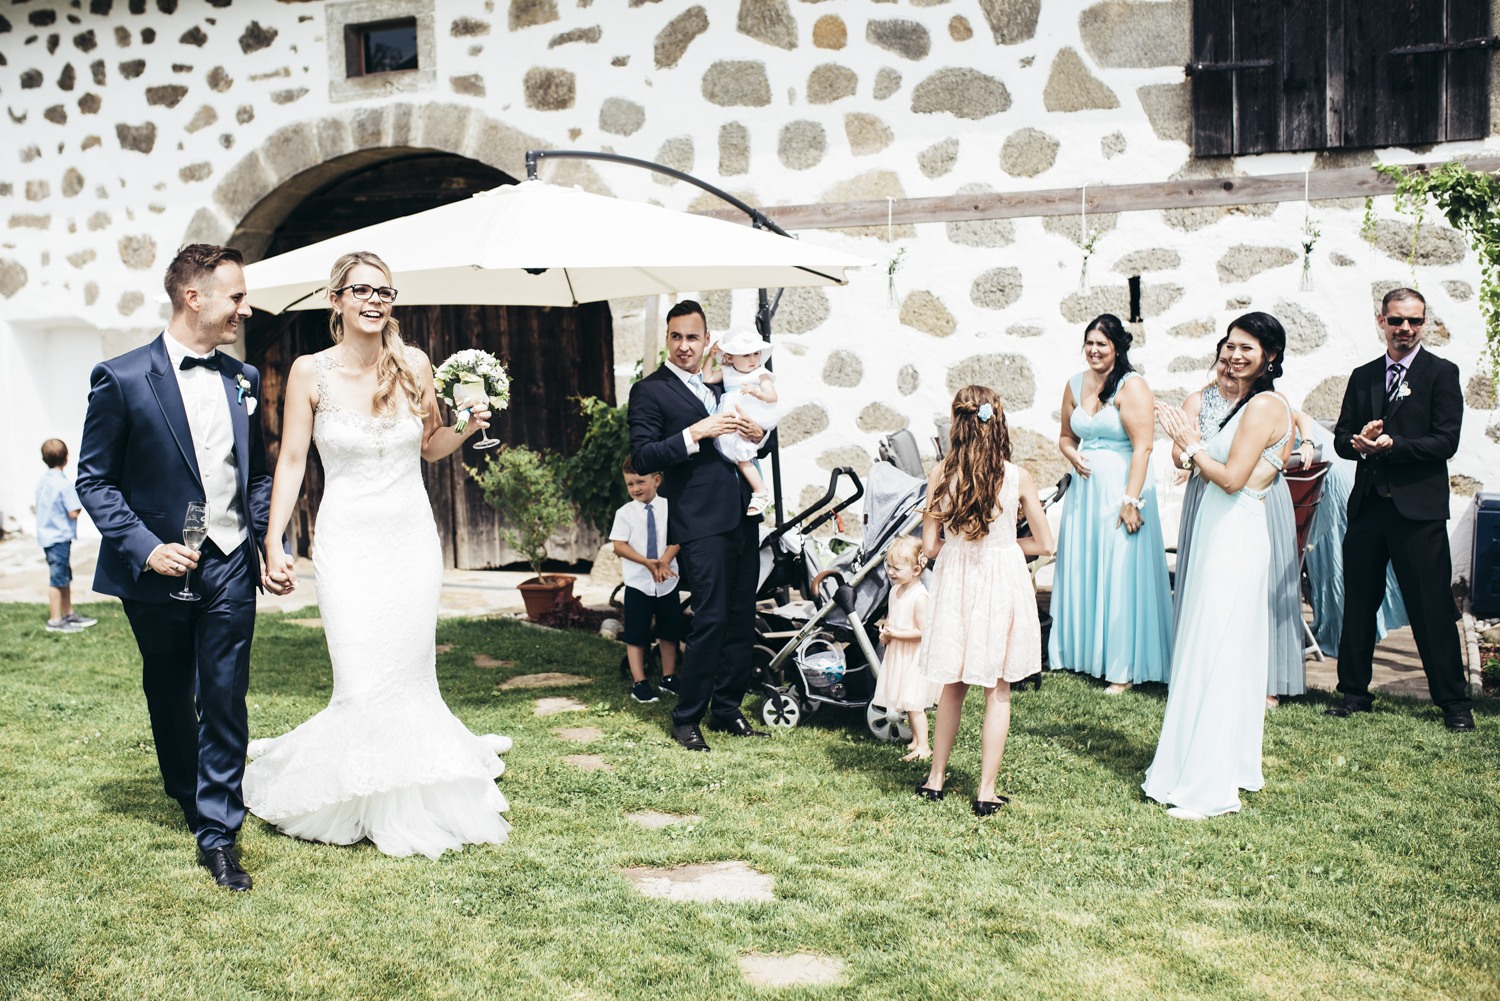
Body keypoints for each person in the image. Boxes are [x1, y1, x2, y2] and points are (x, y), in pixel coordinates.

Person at [243, 250, 514, 860]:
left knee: (411, 670)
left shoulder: (414, 364)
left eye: (385, 292)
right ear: (335, 299)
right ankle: (356, 789)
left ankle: (413, 790)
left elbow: (431, 447)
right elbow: (290, 461)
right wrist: (275, 539)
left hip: (410, 539)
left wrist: (468, 426)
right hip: (346, 542)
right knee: (360, 673)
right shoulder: (309, 372)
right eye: (361, 290)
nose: (374, 301)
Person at [76, 243, 291, 891]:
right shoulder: (120, 378)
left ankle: (217, 828)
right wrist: (145, 546)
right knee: (171, 691)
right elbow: (95, 481)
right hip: (157, 570)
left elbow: (251, 474)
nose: (244, 308)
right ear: (193, 296)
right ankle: (186, 787)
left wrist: (265, 542)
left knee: (224, 692)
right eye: (236, 296)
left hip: (228, 564)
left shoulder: (244, 379)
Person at [1148, 312, 1294, 819]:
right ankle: (1210, 761)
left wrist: (1190, 444)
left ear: (1269, 357)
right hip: (1217, 527)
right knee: (1209, 643)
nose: (1235, 355)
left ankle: (1208, 781)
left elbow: (1232, 479)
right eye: (1230, 345)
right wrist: (1189, 445)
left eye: (1248, 349)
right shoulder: (1240, 403)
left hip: (1235, 532)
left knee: (1219, 644)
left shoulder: (1265, 406)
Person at [1325, 288, 1473, 732]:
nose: (1405, 329)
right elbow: (1340, 439)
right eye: (1396, 321)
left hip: (1418, 512)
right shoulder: (1364, 375)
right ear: (1381, 321)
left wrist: (1395, 445)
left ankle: (1454, 704)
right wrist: (1359, 440)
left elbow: (1447, 441)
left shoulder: (1440, 373)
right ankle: (1353, 694)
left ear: (1424, 323)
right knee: (1359, 604)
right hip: (1369, 508)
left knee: (1432, 607)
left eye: (1414, 321)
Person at [628, 300, 772, 751]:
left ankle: (727, 708)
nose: (685, 345)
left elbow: (759, 443)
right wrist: (697, 432)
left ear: (707, 340)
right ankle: (687, 715)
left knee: (741, 614)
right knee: (709, 617)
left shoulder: (726, 381)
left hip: (743, 514)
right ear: (666, 340)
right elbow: (643, 455)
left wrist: (759, 437)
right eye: (676, 337)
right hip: (698, 519)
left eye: (693, 337)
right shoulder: (649, 391)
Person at [915, 386, 1054, 815]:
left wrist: (959, 546)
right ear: (997, 422)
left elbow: (932, 547)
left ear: (957, 425)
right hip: (1001, 582)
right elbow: (1046, 543)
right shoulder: (1017, 476)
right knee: (998, 687)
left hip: (956, 579)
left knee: (952, 683)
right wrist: (1007, 546)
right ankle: (985, 790)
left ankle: (935, 779)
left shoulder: (941, 474)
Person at [1169, 339, 1319, 708]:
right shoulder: (1198, 401)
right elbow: (1179, 454)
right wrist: (1197, 455)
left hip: (1260, 496)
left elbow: (1298, 418)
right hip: (1208, 491)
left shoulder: (1263, 400)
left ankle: (1268, 679)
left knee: (1263, 584)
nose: (1228, 366)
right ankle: (1205, 672)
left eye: (1236, 358)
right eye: (1223, 359)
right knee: (1210, 585)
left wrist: (1309, 441)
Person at [1049, 314, 1172, 693]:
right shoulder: (1073, 383)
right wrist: (1073, 456)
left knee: (1120, 572)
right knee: (1085, 567)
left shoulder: (1132, 386)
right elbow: (1066, 437)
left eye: (1101, 344)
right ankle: (1080, 656)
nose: (1093, 350)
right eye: (1089, 342)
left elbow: (1143, 447)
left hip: (1121, 489)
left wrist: (1130, 500)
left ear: (1117, 347)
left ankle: (1124, 667)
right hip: (1085, 497)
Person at [610, 455, 682, 704]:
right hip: (638, 583)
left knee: (670, 631)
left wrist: (663, 562)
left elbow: (677, 539)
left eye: (640, 482)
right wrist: (647, 562)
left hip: (667, 581)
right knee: (636, 634)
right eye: (630, 484)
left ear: (657, 480)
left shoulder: (670, 507)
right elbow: (619, 546)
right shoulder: (625, 513)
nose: (635, 488)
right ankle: (639, 683)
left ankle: (668, 678)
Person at [872, 535, 939, 762]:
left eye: (897, 568)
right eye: (889, 566)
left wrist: (897, 634)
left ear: (917, 569)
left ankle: (924, 746)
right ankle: (916, 741)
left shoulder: (920, 597)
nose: (891, 572)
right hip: (899, 652)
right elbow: (892, 618)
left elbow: (923, 632)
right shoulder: (894, 591)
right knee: (907, 701)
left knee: (914, 703)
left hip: (915, 657)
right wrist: (886, 633)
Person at [700, 328, 780, 517]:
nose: (753, 359)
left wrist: (755, 392)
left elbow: (772, 396)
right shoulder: (727, 372)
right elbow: (707, 378)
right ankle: (759, 490)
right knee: (734, 452)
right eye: (746, 355)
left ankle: (760, 491)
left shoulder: (761, 374)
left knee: (742, 454)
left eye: (756, 353)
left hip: (750, 413)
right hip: (731, 417)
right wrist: (710, 357)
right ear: (729, 358)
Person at [34, 438, 96, 634]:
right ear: (67, 457)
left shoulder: (43, 481)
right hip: (58, 538)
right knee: (57, 579)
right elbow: (73, 511)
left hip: (48, 536)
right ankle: (55, 620)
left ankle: (68, 614)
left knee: (64, 577)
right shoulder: (64, 484)